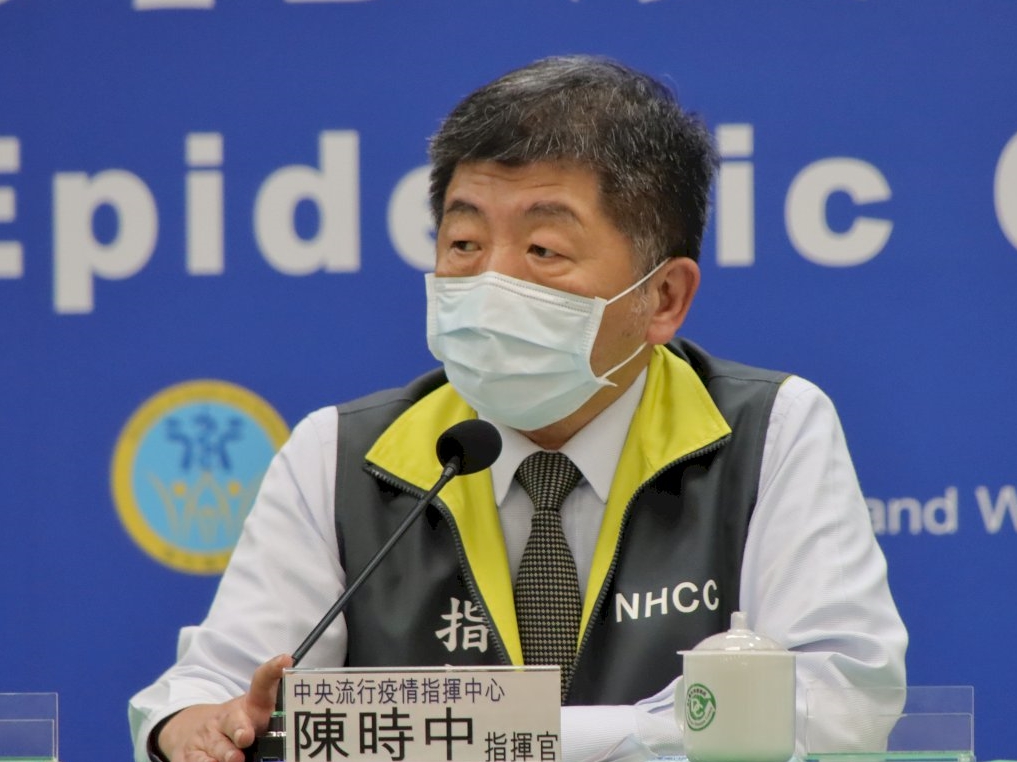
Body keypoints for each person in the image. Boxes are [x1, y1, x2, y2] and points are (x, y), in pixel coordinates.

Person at [129, 55, 908, 762]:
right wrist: (194, 728)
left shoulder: (768, 433)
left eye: (543, 251)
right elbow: (210, 688)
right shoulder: (341, 456)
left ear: (664, 298)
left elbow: (839, 696)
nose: (490, 284)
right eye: (464, 244)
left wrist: (543, 740)